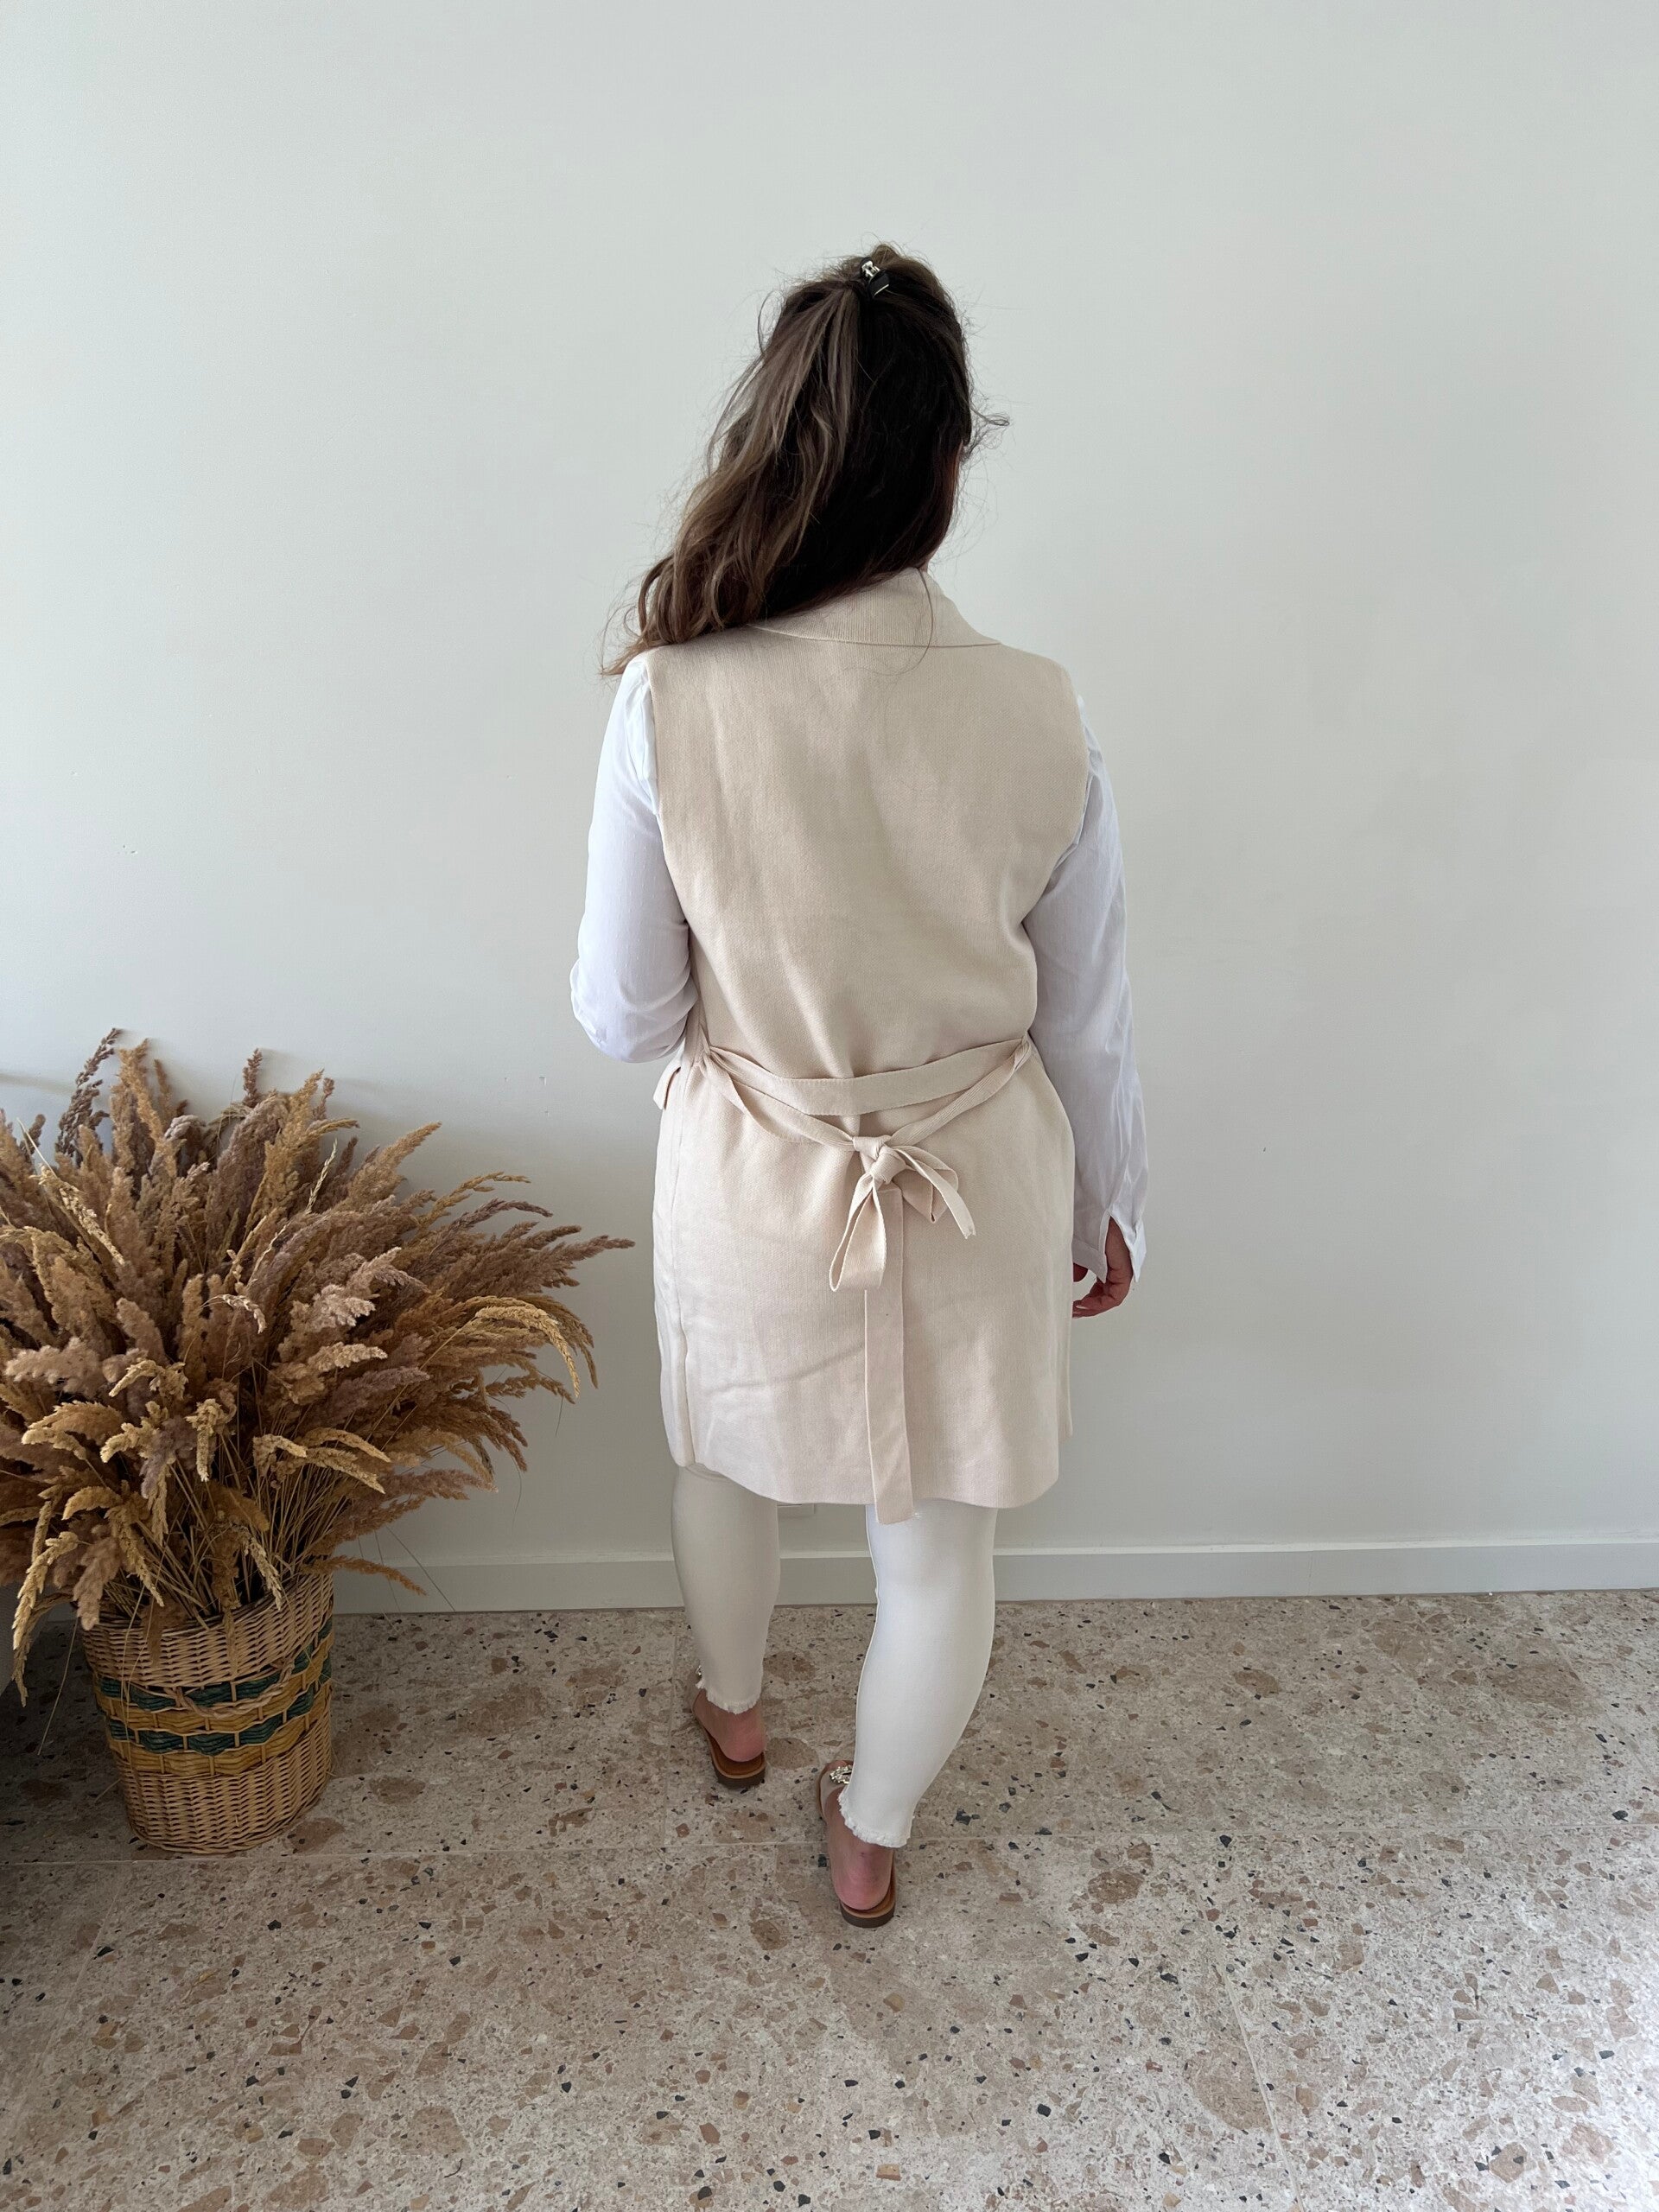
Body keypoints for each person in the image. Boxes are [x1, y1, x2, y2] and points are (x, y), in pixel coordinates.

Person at [571, 245, 1147, 1927]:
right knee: (943, 1547)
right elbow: (1088, 1018)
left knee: (724, 1459)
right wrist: (1109, 1203)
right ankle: (871, 1833)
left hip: (754, 1170)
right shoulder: (1042, 708)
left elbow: (624, 1013)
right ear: (950, 462)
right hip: (980, 1181)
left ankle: (738, 1713)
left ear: (775, 443)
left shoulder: (670, 697)